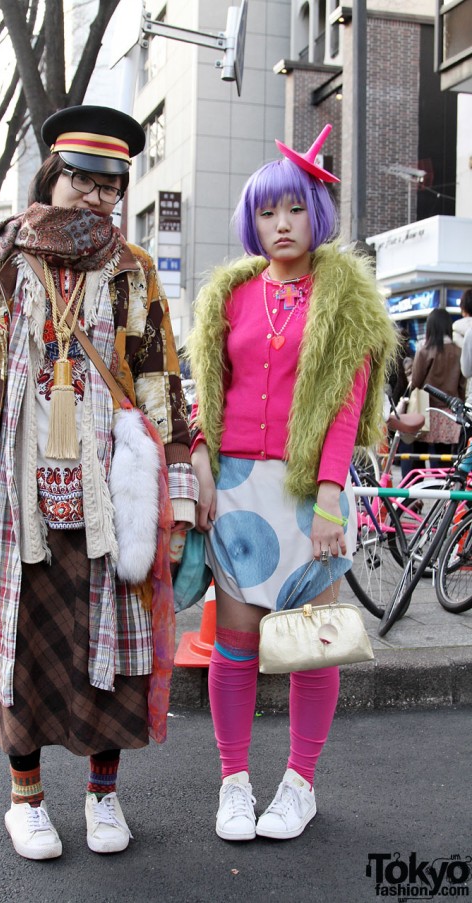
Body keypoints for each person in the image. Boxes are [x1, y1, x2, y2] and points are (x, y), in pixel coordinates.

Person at [0, 104, 197, 861]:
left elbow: (160, 380)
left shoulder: (134, 270)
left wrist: (176, 487)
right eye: (84, 179)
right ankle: (26, 801)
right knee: (23, 648)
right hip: (19, 492)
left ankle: (104, 798)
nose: (98, 198)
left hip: (111, 491)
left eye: (112, 186)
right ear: (53, 173)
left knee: (105, 650)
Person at [185, 125, 397, 843]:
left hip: (313, 491)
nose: (281, 224)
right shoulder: (230, 297)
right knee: (236, 642)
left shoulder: (344, 298)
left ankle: (300, 783)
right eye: (269, 211)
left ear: (317, 212)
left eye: (295, 209)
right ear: (253, 218)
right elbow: (206, 391)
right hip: (237, 488)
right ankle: (235, 782)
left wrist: (331, 496)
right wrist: (202, 457)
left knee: (313, 641)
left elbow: (343, 406)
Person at [409, 307, 465, 456]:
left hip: (425, 411)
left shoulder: (425, 351)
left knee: (419, 457)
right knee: (444, 458)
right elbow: (462, 385)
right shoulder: (458, 351)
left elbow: (415, 382)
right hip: (449, 413)